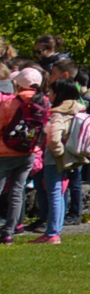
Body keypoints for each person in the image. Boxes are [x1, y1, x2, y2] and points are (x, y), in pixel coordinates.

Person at [40, 83, 90, 242]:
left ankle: (52, 233)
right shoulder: (80, 110)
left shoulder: (59, 113)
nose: (49, 94)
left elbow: (54, 138)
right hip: (75, 156)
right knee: (62, 193)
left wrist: (59, 154)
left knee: (54, 193)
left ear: (59, 94)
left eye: (51, 92)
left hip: (56, 160)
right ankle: (56, 230)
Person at [0, 69, 44, 243]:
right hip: (29, 153)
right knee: (17, 191)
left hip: (5, 152)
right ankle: (9, 231)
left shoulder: (10, 103)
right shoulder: (44, 102)